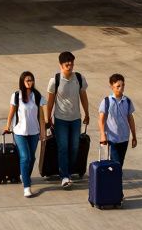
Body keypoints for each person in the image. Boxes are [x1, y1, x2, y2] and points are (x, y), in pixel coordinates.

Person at [45, 51, 89, 188]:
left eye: (71, 63)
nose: (69, 66)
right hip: (61, 119)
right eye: (66, 64)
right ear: (61, 65)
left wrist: (87, 113)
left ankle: (69, 172)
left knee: (74, 147)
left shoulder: (79, 78)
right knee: (63, 147)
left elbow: (83, 97)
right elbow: (50, 101)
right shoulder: (55, 80)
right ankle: (64, 176)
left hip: (76, 119)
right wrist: (48, 118)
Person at [3, 71, 46, 197]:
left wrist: (43, 132)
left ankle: (24, 175)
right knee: (25, 157)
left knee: (32, 158)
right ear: (22, 81)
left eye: (31, 80)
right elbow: (11, 112)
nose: (30, 82)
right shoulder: (16, 96)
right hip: (19, 132)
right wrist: (7, 126)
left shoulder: (37, 96)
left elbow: (42, 117)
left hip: (34, 132)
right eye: (27, 80)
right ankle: (27, 187)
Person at [97, 73, 137, 167]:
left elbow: (130, 119)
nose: (121, 88)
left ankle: (115, 179)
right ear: (112, 86)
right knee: (116, 163)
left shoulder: (127, 101)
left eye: (122, 85)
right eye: (118, 86)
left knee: (120, 163)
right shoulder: (107, 101)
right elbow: (101, 120)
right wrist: (103, 135)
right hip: (111, 139)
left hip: (124, 138)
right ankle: (116, 180)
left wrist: (134, 135)